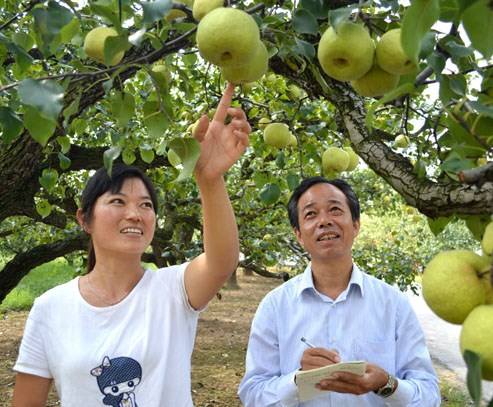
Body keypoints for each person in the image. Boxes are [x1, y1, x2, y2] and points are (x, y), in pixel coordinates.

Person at [12, 82, 250, 406]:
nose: (135, 214)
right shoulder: (50, 309)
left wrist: (209, 181)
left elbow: (222, 261)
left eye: (146, 205)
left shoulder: (172, 291)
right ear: (84, 219)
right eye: (118, 201)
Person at [238, 177, 441, 406]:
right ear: (298, 234)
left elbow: (429, 395)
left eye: (335, 209)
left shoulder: (392, 304)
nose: (324, 221)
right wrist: (297, 380)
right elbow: (253, 394)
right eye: (311, 214)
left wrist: (386, 384)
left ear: (355, 225)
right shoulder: (275, 306)